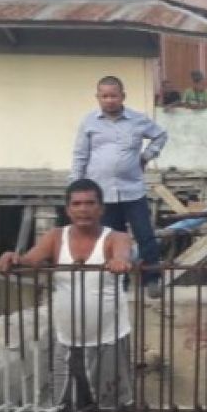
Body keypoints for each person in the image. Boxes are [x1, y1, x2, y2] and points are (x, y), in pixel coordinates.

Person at [0, 179, 134, 412]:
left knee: (110, 408)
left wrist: (119, 261)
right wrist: (13, 258)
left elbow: (123, 255)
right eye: (77, 204)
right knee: (64, 407)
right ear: (68, 210)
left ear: (101, 208)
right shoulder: (56, 237)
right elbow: (31, 260)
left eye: (90, 203)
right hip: (67, 339)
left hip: (109, 339)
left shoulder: (115, 238)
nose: (83, 209)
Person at [70, 76, 167, 298]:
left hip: (132, 190)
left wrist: (146, 156)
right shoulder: (89, 123)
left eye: (114, 95)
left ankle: (152, 279)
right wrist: (75, 186)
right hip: (102, 193)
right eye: (104, 96)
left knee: (145, 235)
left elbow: (160, 135)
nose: (109, 100)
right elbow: (80, 155)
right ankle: (117, 283)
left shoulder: (137, 120)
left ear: (122, 96)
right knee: (111, 239)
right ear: (98, 98)